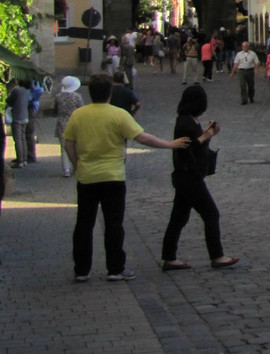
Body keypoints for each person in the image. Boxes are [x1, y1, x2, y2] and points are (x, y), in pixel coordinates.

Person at [63, 74, 190, 282]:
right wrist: (169, 144)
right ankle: (115, 268)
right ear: (109, 94)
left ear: (90, 93)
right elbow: (142, 137)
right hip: (113, 176)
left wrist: (77, 165)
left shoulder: (78, 115)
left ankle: (81, 270)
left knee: (84, 224)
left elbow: (68, 144)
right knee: (114, 223)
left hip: (87, 177)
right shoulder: (118, 114)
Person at [160, 85, 240, 272]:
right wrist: (205, 136)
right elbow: (188, 147)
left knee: (178, 217)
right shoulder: (184, 123)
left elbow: (198, 144)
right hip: (189, 176)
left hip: (187, 176)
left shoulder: (190, 121)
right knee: (211, 214)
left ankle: (169, 257)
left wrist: (209, 134)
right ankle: (217, 256)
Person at [54, 76, 84, 178]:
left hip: (62, 123)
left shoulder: (58, 97)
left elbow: (55, 110)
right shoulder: (77, 97)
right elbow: (82, 110)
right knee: (76, 146)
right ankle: (75, 167)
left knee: (63, 148)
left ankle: (66, 170)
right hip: (75, 123)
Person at [6, 80, 31, 168]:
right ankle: (24, 159)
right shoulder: (27, 90)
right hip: (25, 116)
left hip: (17, 117)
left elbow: (8, 101)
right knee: (23, 138)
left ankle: (20, 161)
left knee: (18, 140)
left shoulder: (16, 90)